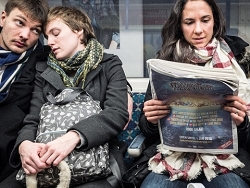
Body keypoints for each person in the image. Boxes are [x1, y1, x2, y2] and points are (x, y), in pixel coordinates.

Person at [0, 5, 129, 188]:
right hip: (45, 158)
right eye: (47, 36)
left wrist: (74, 137)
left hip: (96, 157)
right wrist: (25, 144)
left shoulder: (109, 64)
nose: (50, 41)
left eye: (56, 33)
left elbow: (116, 112)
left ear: (78, 31)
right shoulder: (43, 68)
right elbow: (33, 118)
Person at [139, 0, 250, 188]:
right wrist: (150, 120)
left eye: (205, 20)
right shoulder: (166, 60)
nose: (198, 30)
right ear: (180, 25)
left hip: (226, 157)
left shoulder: (240, 57)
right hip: (173, 155)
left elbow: (247, 132)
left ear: (215, 21)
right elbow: (145, 126)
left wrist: (242, 123)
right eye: (189, 22)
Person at [0, 0, 49, 183]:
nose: (24, 35)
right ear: (3, 18)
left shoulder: (44, 59)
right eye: (19, 23)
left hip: (12, 157)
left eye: (35, 30)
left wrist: (124, 90)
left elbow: (89, 58)